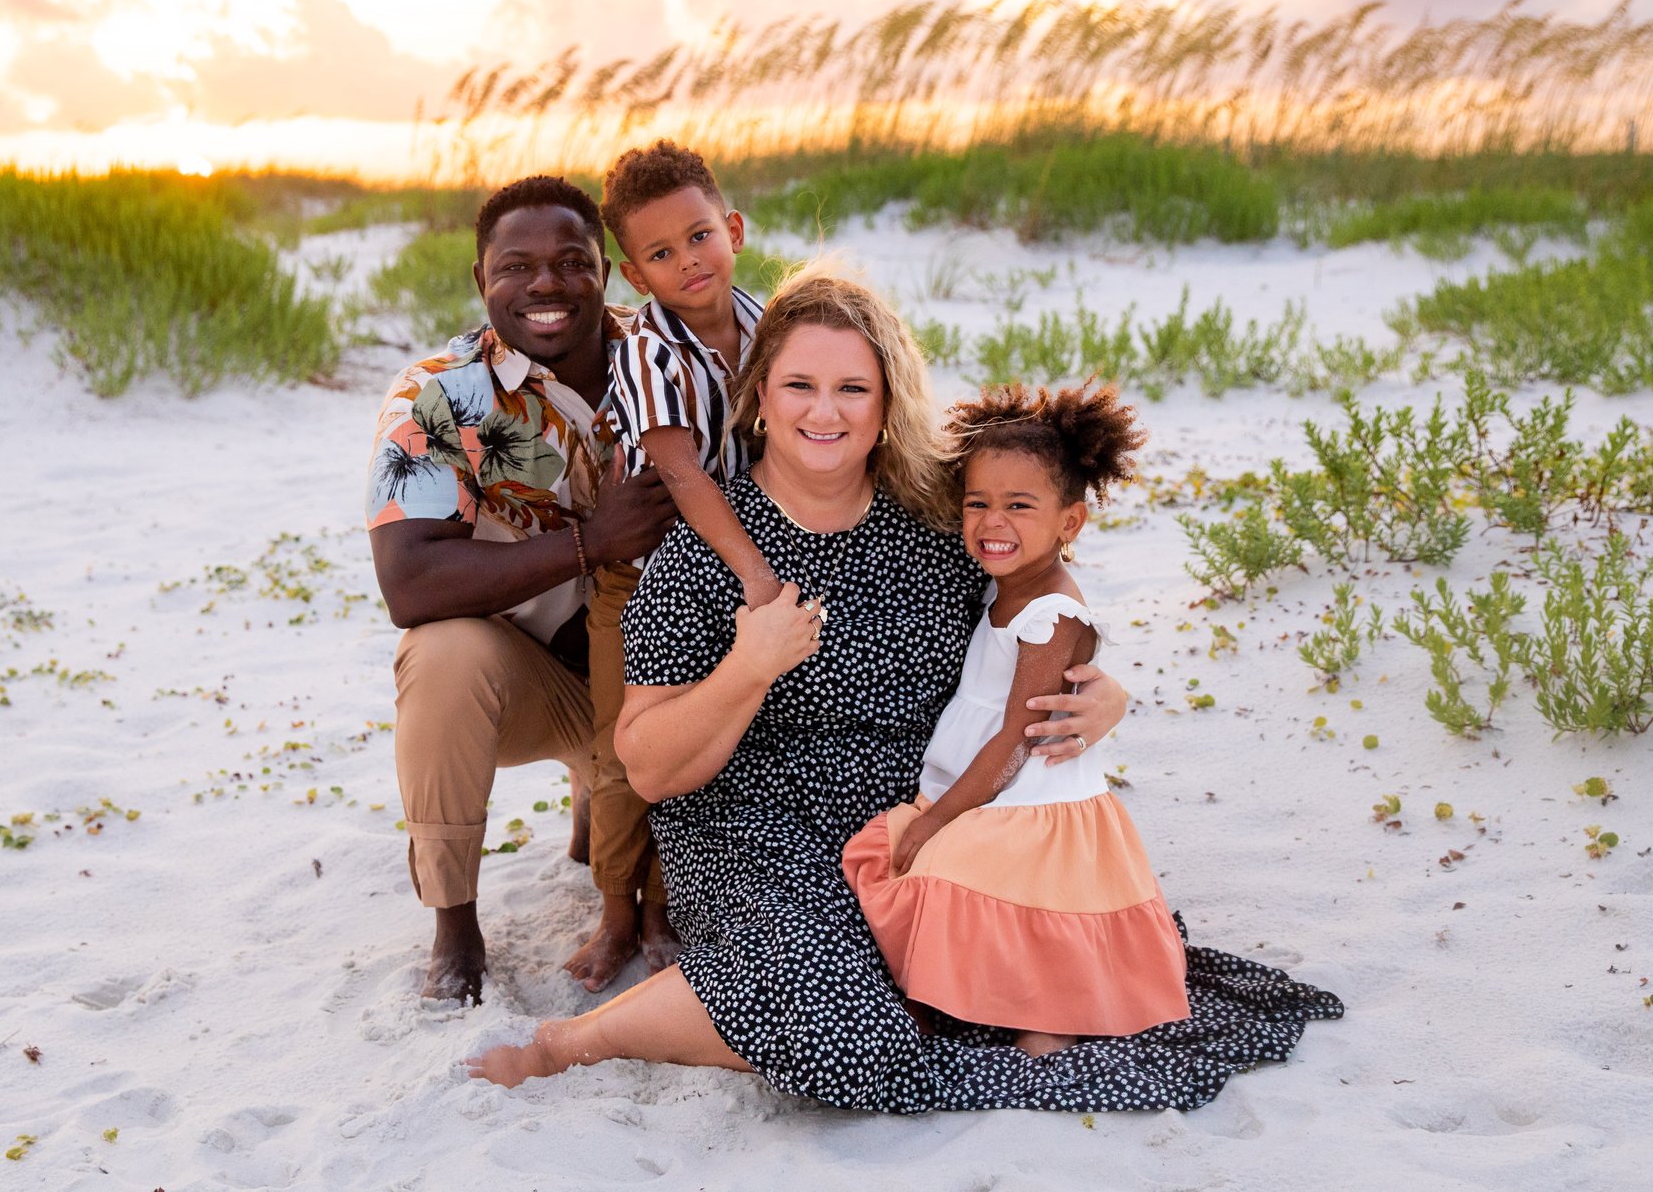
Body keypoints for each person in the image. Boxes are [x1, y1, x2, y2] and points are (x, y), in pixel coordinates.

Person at [471, 261, 1335, 1110]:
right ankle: (572, 1042)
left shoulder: (939, 535)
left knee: (1053, 974)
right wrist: (751, 665)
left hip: (918, 824)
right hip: (754, 839)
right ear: (760, 396)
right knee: (854, 1029)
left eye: (853, 388)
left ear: (885, 406)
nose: (824, 410)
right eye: (800, 384)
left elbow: (1040, 620)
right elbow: (649, 766)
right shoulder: (699, 557)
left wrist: (1106, 691)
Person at [364, 175, 677, 1003]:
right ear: (480, 280)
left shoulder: (668, 369)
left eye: (572, 261)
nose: (546, 284)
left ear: (605, 270)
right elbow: (409, 580)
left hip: (665, 685)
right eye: (517, 267)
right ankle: (455, 922)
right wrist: (591, 541)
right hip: (534, 684)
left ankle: (604, 806)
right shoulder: (439, 393)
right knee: (442, 652)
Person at [842, 381, 1190, 1059]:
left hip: (1032, 806)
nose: (992, 522)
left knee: (948, 870)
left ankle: (1047, 1022)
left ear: (1070, 522)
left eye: (1019, 506)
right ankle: (954, 1003)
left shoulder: (1051, 614)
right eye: (978, 503)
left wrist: (942, 816)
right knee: (887, 855)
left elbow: (1014, 739)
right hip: (992, 793)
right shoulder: (1007, 587)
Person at [568, 140, 774, 992]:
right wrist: (758, 576)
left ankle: (673, 896)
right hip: (647, 578)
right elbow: (683, 473)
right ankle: (621, 909)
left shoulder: (768, 322)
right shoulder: (650, 353)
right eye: (660, 253)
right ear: (632, 273)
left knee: (716, 734)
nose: (687, 261)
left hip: (730, 565)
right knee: (629, 751)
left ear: (731, 229)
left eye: (698, 237)